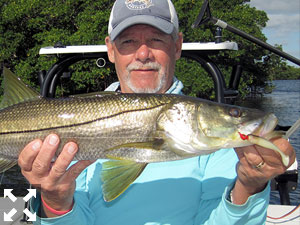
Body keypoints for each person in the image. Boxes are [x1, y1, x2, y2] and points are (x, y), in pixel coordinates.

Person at [18, 0, 295, 224]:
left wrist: (249, 185)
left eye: (156, 39)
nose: (142, 54)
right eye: (127, 42)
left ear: (177, 47)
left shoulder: (225, 147)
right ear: (111, 50)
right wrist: (55, 202)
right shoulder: (70, 120)